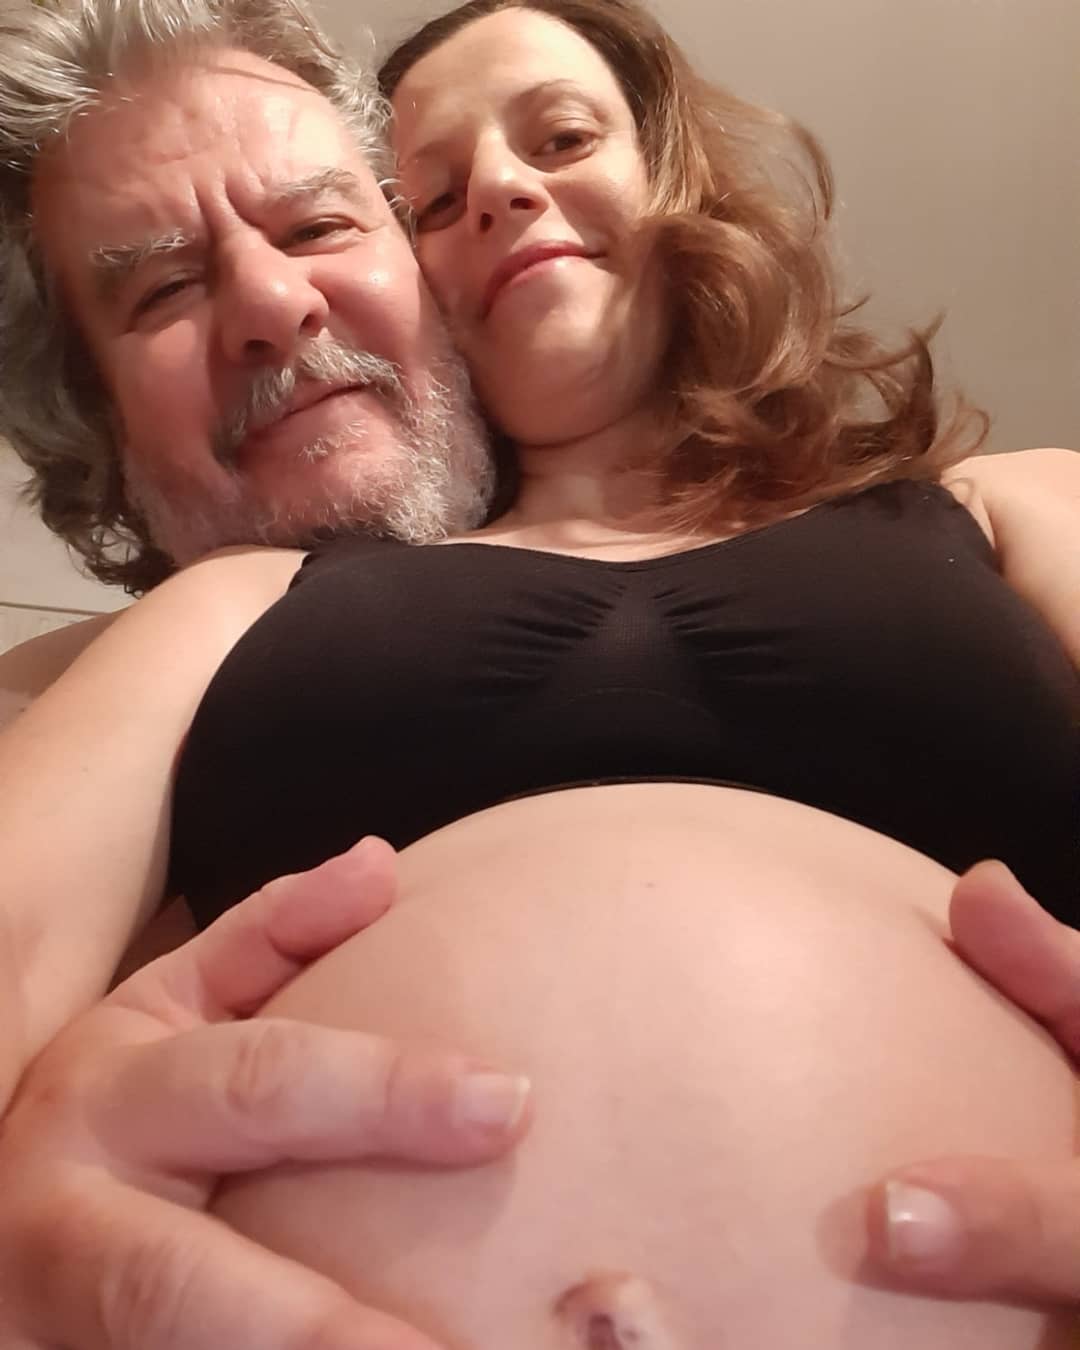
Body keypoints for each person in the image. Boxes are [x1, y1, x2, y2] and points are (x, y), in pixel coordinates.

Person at [0, 0, 1075, 1344]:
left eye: (561, 138)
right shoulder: (233, 605)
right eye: (434, 198)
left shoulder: (1007, 506)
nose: (505, 192)